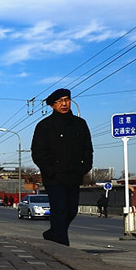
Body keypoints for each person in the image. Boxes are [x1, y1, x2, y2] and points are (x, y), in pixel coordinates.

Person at [30, 88, 93, 246]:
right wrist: (51, 170)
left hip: (74, 175)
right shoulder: (45, 126)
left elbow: (88, 148)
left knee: (72, 210)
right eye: (59, 101)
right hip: (54, 177)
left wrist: (84, 167)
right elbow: (37, 152)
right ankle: (62, 245)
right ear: (52, 105)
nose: (64, 104)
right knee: (59, 209)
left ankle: (53, 233)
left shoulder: (80, 124)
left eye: (67, 100)